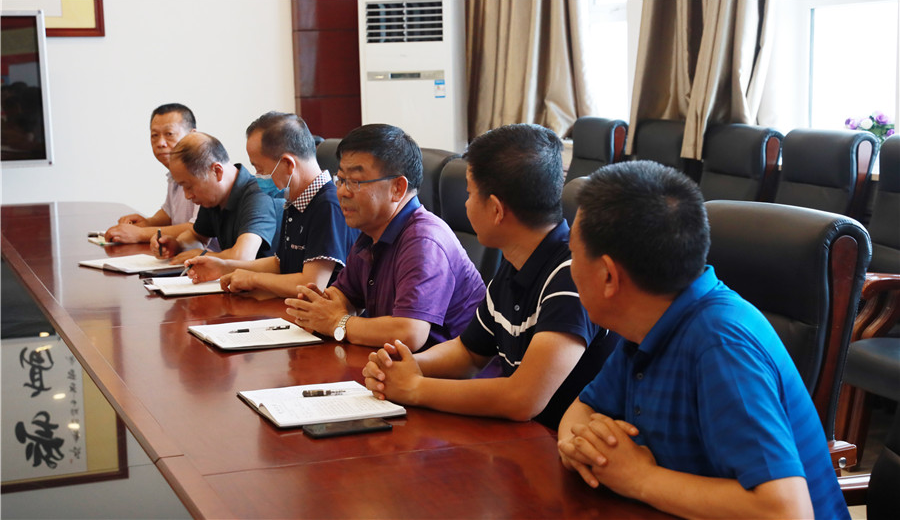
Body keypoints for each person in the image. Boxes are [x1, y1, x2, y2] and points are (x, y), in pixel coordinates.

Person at [557, 161, 849, 519]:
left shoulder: (722, 345)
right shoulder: (649, 322)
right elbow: (582, 410)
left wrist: (638, 478)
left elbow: (787, 511)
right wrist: (580, 447)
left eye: (573, 254)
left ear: (608, 276)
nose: (570, 268)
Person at [361, 124, 610, 429]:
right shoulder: (515, 262)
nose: (465, 204)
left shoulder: (572, 277)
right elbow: (468, 353)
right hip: (520, 439)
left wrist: (415, 387)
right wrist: (406, 365)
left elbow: (523, 398)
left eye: (469, 193)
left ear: (495, 210)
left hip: (559, 445)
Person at [284, 123, 484, 351]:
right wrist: (319, 307)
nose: (342, 191)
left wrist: (337, 322)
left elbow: (409, 333)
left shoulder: (424, 241)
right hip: (392, 364)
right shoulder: (371, 232)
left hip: (442, 372)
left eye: (355, 182)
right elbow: (345, 297)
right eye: (341, 180)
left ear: (397, 188)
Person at [183, 112, 357, 297]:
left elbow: (311, 284)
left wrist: (253, 279)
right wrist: (224, 266)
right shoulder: (295, 201)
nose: (258, 176)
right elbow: (280, 263)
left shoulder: (328, 205)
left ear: (288, 164)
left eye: (260, 168)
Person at [152, 132, 280, 263]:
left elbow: (242, 257)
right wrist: (177, 245)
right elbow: (197, 236)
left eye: (189, 186)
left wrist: (203, 255)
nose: (187, 195)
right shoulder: (214, 198)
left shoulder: (258, 196)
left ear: (217, 171)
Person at [105, 103, 199, 243]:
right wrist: (147, 222)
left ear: (192, 136)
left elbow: (198, 229)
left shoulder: (203, 172)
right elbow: (169, 213)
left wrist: (140, 233)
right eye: (154, 135)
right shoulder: (175, 172)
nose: (160, 143)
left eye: (169, 134)